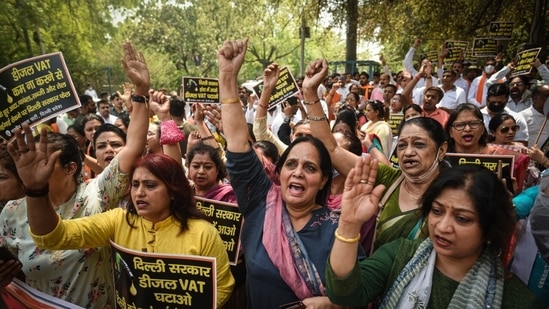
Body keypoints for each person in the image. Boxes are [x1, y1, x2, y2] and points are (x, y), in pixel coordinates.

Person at [0, 41, 150, 308]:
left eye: (44, 160)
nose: (34, 166)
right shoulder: (11, 213)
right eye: (29, 159)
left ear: (70, 168)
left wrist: (140, 91)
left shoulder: (97, 195)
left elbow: (134, 146)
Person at [218, 38, 351, 308]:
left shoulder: (337, 229)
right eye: (291, 164)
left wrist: (330, 303)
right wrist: (227, 76)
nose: (298, 173)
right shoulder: (260, 204)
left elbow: (356, 293)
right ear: (280, 172)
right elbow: (237, 143)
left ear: (324, 179)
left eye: (310, 167)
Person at [15, 148, 234, 307]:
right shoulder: (119, 220)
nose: (139, 193)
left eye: (150, 185)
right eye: (135, 185)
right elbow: (53, 237)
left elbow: (222, 286)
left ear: (174, 191)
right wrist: (35, 191)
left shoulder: (203, 232)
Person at [326, 163, 541, 308]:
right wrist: (349, 223)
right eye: (437, 211)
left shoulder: (515, 299)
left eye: (462, 218)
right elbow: (344, 293)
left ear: (490, 228)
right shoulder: (400, 255)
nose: (443, 226)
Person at [301, 58, 449, 252]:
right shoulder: (388, 178)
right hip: (379, 278)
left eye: (419, 144)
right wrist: (310, 92)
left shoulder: (454, 192)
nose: (408, 152)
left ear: (442, 149)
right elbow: (331, 149)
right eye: (402, 145)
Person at [446, 103, 530, 193]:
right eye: (460, 125)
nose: (467, 129)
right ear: (450, 131)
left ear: (482, 129)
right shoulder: (441, 158)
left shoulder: (505, 157)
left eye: (473, 123)